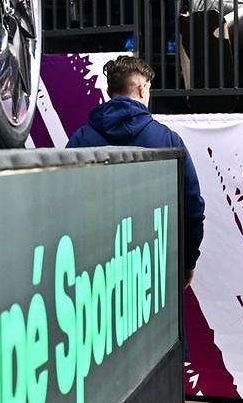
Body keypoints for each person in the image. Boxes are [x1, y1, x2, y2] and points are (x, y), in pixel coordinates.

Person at [67, 56, 206, 286]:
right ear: (142, 89)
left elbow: (66, 201)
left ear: (111, 90)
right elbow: (192, 207)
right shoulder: (168, 140)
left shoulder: (81, 138)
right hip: (151, 267)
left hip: (95, 275)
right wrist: (188, 262)